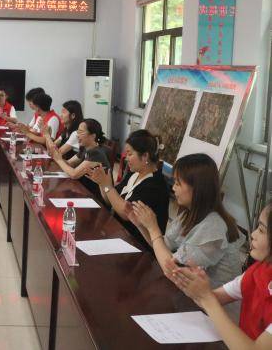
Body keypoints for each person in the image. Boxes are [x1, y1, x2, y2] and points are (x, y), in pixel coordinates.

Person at [130, 153, 244, 287]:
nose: (173, 188)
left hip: (213, 298)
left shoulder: (214, 227)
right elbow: (164, 245)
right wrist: (140, 225)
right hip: (194, 291)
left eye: (178, 183)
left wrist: (153, 228)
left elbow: (173, 270)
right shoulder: (189, 213)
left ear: (197, 188)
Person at [172, 204, 272, 349]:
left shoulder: (214, 226)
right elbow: (212, 298)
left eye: (261, 230)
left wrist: (206, 297)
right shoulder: (259, 271)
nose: (253, 234)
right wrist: (194, 285)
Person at [87, 129, 169, 249]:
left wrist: (108, 186)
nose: (126, 158)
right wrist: (102, 183)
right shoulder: (134, 173)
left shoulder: (155, 185)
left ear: (145, 156)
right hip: (119, 234)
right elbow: (111, 201)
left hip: (137, 246)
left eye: (130, 154)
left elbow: (125, 213)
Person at [53, 118, 111, 196]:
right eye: (78, 132)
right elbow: (69, 163)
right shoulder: (85, 148)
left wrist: (59, 160)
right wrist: (56, 155)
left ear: (93, 136)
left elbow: (74, 174)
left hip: (96, 196)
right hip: (84, 190)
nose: (77, 135)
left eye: (81, 132)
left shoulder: (96, 153)